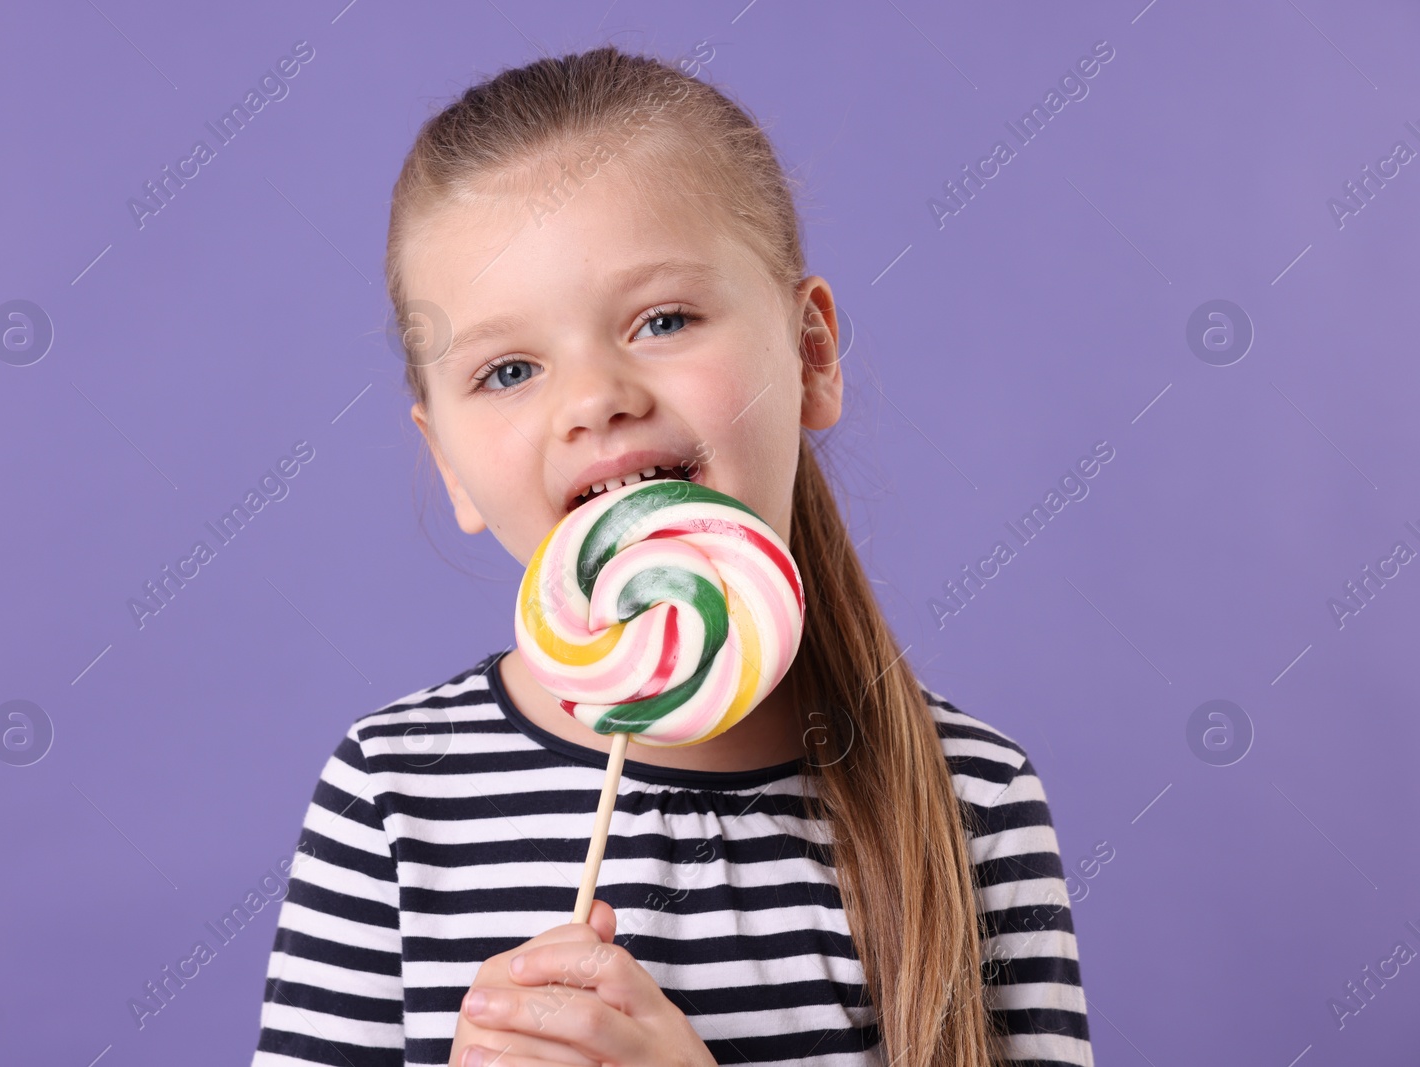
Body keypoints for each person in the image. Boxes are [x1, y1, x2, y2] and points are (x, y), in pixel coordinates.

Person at [250, 45, 1092, 1067]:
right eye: (508, 367)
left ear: (809, 352)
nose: (596, 394)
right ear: (450, 466)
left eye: (663, 319)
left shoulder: (974, 801)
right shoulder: (394, 794)